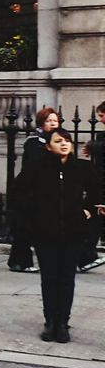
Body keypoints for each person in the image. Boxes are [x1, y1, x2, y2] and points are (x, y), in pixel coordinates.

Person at [10, 128, 102, 343]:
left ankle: (63, 323)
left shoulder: (82, 168)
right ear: (48, 146)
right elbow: (18, 194)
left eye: (67, 140)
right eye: (58, 141)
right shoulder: (37, 169)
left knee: (66, 279)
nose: (64, 144)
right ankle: (50, 321)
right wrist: (34, 219)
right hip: (45, 233)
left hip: (73, 233)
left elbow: (97, 192)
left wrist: (87, 211)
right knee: (49, 279)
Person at [8, 107, 61, 272]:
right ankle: (19, 262)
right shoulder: (35, 142)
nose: (53, 124)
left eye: (55, 120)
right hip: (27, 191)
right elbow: (38, 166)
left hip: (43, 190)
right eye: (49, 121)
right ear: (41, 123)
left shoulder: (54, 140)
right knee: (25, 227)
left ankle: (81, 258)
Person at [80, 100, 105, 271]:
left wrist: (92, 146)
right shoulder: (101, 138)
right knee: (92, 219)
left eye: (102, 116)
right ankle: (85, 256)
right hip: (99, 185)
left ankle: (85, 256)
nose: (101, 120)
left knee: (93, 220)